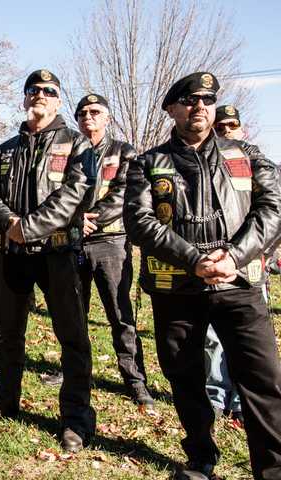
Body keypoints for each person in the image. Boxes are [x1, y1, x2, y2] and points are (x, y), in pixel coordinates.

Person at [124, 72, 281, 480]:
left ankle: (273, 468)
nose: (200, 106)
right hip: (177, 289)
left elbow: (272, 210)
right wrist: (192, 259)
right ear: (171, 109)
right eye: (189, 99)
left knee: (263, 381)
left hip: (240, 284)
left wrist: (234, 254)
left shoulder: (247, 155)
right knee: (186, 378)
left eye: (207, 100)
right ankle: (200, 456)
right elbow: (140, 221)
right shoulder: (147, 163)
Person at [0, 69, 95, 453]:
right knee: (8, 332)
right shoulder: (6, 149)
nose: (39, 95)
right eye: (33, 90)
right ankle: (5, 399)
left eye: (48, 91)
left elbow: (75, 194)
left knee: (72, 337)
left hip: (58, 253)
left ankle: (75, 417)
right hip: (12, 253)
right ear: (24, 99)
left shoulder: (78, 145)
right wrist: (9, 224)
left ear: (58, 101)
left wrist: (29, 227)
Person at [73, 94, 153, 407]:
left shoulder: (123, 151)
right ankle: (75, 371)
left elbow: (124, 193)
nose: (87, 117)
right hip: (74, 242)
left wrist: (90, 219)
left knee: (121, 316)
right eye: (82, 113)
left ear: (107, 117)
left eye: (95, 112)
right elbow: (58, 192)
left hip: (111, 242)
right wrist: (75, 219)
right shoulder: (70, 153)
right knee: (73, 315)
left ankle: (135, 381)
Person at [202, 104, 246, 423]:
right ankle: (216, 395)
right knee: (213, 336)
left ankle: (243, 401)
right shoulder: (204, 165)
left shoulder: (253, 162)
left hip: (245, 261)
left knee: (243, 336)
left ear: (241, 129)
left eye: (231, 125)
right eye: (221, 127)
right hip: (212, 260)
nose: (226, 131)